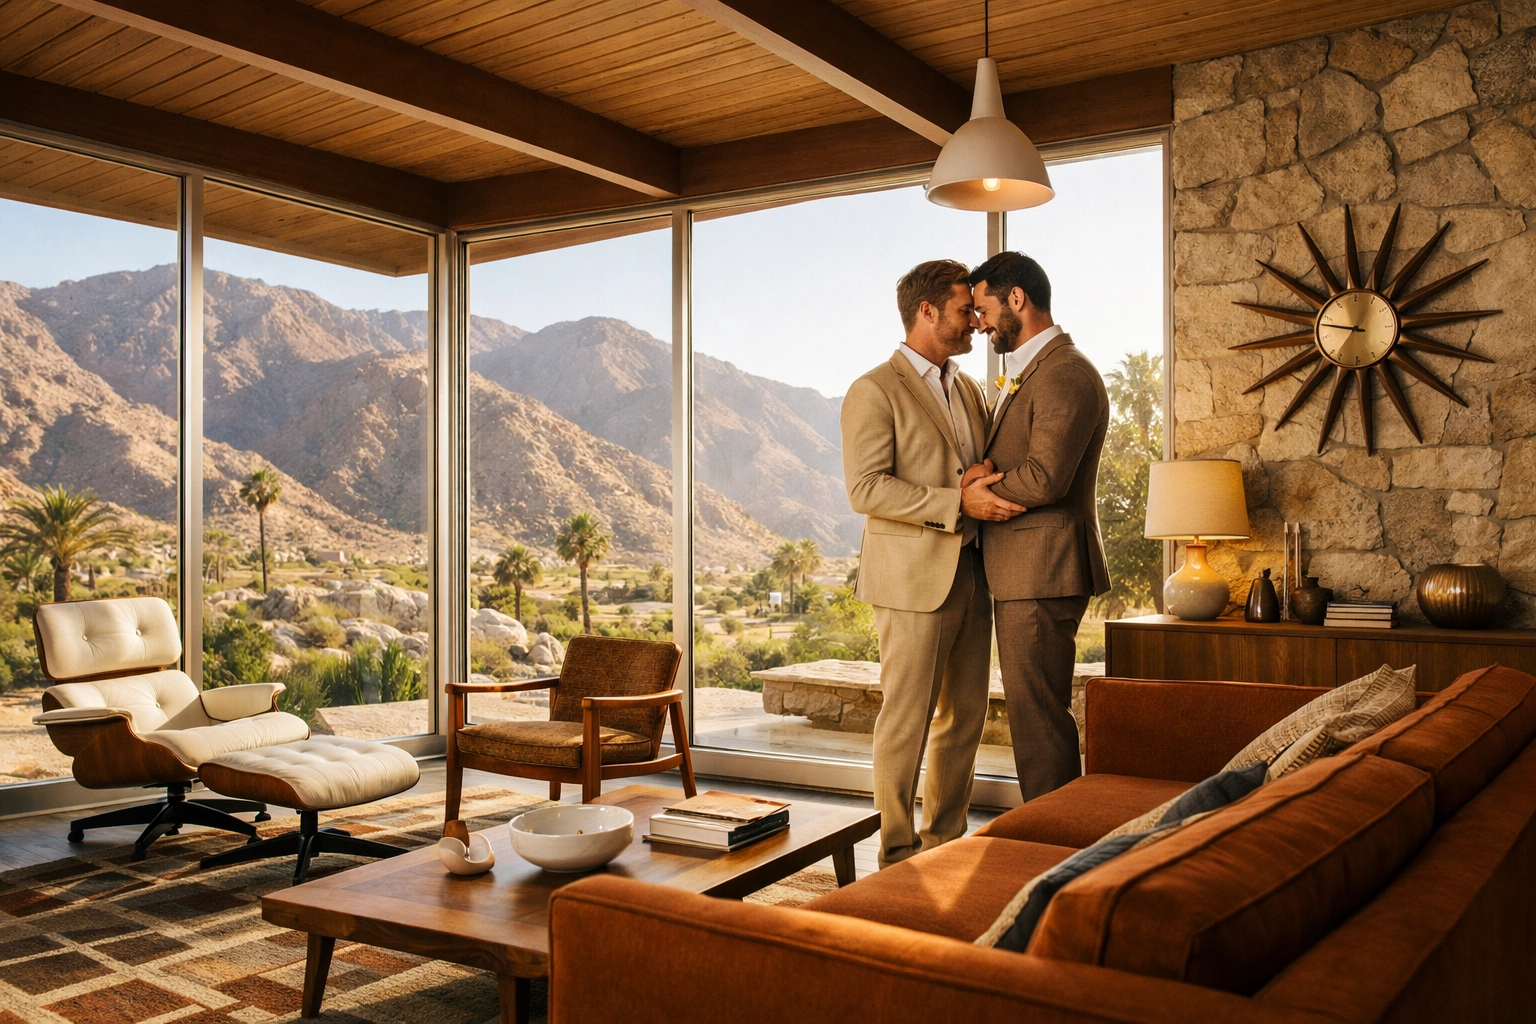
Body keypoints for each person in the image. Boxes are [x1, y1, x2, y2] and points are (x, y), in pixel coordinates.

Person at [841, 259, 1023, 867]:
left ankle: (944, 845)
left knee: (964, 716)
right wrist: (954, 501)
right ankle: (896, 851)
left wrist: (975, 479)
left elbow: (970, 464)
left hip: (973, 572)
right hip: (912, 580)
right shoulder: (873, 389)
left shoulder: (967, 387)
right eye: (964, 308)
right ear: (926, 311)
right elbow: (865, 488)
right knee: (907, 718)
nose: (976, 319)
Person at [970, 251, 1110, 802]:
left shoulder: (1065, 372)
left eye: (983, 309)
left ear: (1017, 300)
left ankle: (1052, 842)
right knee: (1035, 716)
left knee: (1039, 720)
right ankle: (1051, 833)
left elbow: (1046, 477)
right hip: (1029, 572)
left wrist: (975, 496)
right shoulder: (1034, 371)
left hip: (1042, 571)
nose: (978, 323)